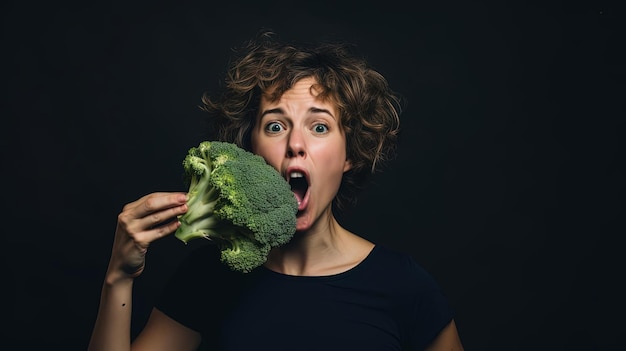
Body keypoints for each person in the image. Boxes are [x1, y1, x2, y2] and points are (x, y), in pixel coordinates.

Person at [88, 29, 464, 351]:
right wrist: (117, 278)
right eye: (275, 126)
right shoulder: (209, 277)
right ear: (250, 151)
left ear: (350, 154)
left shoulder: (404, 285)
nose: (296, 144)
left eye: (319, 127)